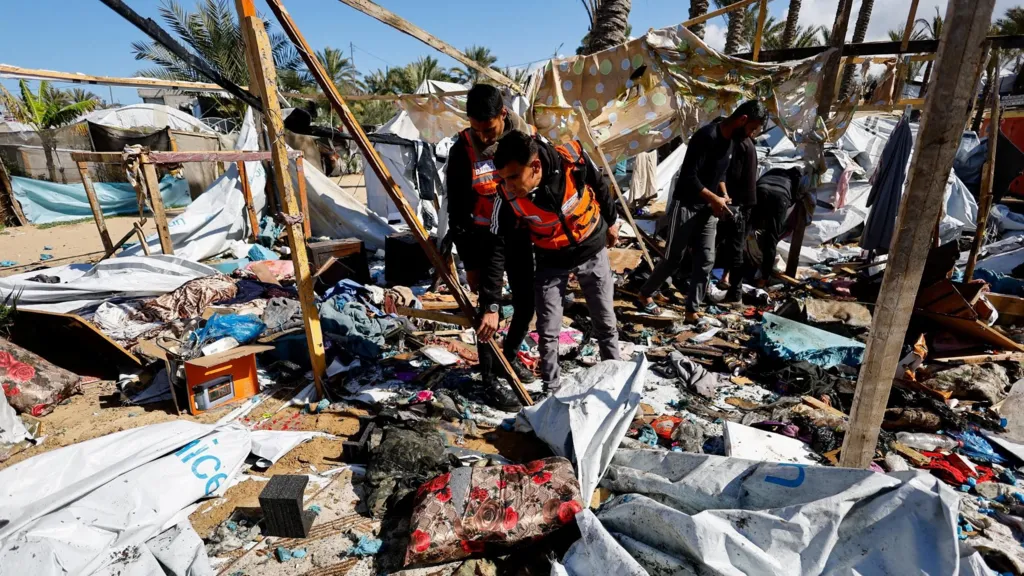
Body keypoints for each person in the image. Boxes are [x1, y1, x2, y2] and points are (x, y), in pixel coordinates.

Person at [476, 131, 621, 392]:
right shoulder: (506, 197)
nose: (508, 186)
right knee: (548, 330)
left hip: (591, 248)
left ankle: (616, 385)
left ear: (535, 167)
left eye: (513, 177)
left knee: (605, 323)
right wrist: (491, 304)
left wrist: (612, 223)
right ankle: (551, 391)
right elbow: (497, 249)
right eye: (503, 179)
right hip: (551, 259)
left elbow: (600, 185)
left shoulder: (573, 160)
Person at [444, 84, 535, 410]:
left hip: (520, 235)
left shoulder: (522, 141)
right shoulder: (462, 151)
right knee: (487, 310)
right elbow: (456, 210)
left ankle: (505, 359)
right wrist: (469, 262)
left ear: (504, 115)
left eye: (490, 129)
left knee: (527, 304)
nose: (483, 136)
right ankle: (489, 379)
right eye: (476, 129)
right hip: (481, 241)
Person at [636, 100, 767, 321]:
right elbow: (689, 177)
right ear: (742, 120)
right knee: (673, 258)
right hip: (686, 205)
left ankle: (691, 310)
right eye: (752, 128)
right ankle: (644, 294)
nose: (752, 135)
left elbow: (720, 174)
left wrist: (723, 194)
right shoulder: (707, 136)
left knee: (706, 259)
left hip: (708, 209)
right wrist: (714, 197)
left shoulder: (732, 142)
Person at [717, 130, 758, 302]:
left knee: (733, 248)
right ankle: (728, 282)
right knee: (734, 247)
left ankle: (735, 293)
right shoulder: (747, 143)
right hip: (741, 204)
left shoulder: (738, 145)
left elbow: (728, 173)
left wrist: (724, 194)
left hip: (736, 204)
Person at [754, 167, 803, 286]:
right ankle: (764, 279)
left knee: (744, 232)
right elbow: (794, 198)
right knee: (771, 239)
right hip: (779, 196)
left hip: (760, 190)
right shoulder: (794, 178)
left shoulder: (773, 170)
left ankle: (728, 275)